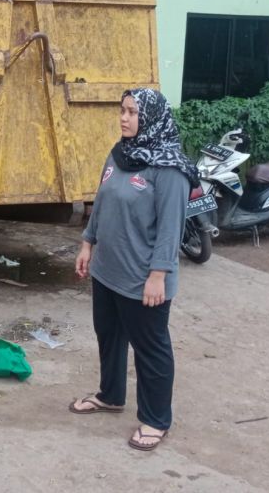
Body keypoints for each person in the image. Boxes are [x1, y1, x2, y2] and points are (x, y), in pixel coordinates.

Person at [71, 88, 198, 452]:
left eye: (132, 112)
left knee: (151, 348)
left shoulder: (170, 168)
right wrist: (87, 242)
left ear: (152, 117)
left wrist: (159, 275)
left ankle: (156, 419)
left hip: (143, 278)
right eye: (122, 110)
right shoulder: (120, 153)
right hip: (108, 270)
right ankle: (110, 395)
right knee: (109, 336)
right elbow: (102, 201)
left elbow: (171, 228)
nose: (124, 118)